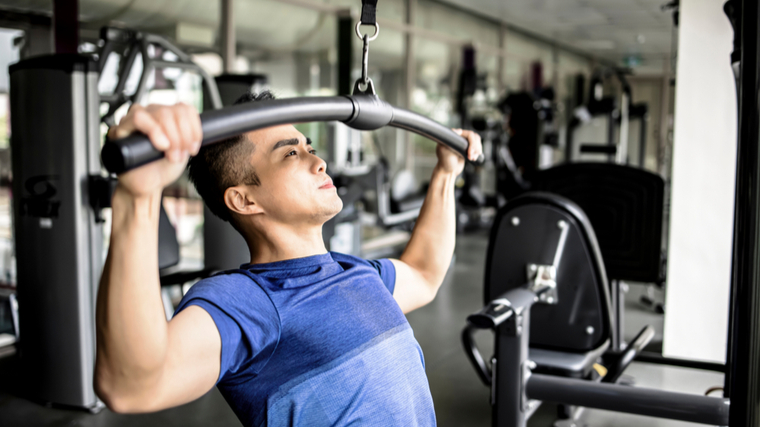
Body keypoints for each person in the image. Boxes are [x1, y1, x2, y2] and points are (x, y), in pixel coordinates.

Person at [94, 91, 482, 426]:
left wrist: (446, 173)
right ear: (244, 199)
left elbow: (424, 273)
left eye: (310, 148)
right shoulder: (249, 302)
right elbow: (131, 386)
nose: (319, 162)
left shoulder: (357, 271)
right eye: (291, 154)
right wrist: (139, 196)